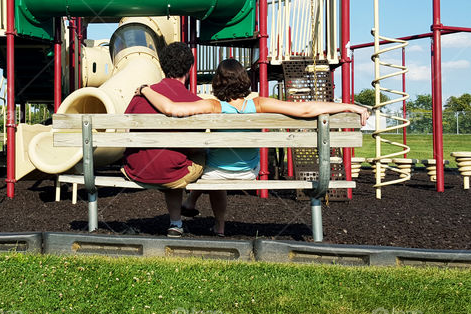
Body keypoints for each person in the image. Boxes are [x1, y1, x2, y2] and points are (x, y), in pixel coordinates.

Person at [136, 58, 369, 236]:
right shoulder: (259, 104)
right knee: (216, 162)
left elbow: (171, 109)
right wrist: (347, 106)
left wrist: (145, 89)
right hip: (249, 171)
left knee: (206, 159)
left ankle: (214, 223)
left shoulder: (212, 105)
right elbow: (306, 110)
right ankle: (215, 222)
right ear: (244, 80)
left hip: (216, 173)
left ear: (218, 81)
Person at [122, 42, 205, 238]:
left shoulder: (139, 96)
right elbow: (195, 145)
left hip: (135, 170)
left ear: (162, 66)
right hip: (172, 173)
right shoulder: (193, 101)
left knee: (171, 157)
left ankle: (176, 223)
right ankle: (178, 221)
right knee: (184, 158)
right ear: (190, 68)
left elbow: (127, 130)